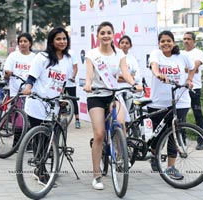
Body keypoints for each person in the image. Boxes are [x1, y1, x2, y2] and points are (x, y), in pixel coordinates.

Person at [83, 21, 142, 190]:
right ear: (98, 36)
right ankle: (96, 175)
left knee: (121, 123)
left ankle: (120, 153)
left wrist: (134, 83)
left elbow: (125, 73)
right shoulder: (92, 54)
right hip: (96, 96)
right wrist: (88, 84)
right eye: (102, 33)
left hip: (113, 95)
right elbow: (89, 74)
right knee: (99, 134)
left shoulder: (119, 55)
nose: (106, 35)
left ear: (113, 35)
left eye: (109, 32)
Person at [22, 27, 73, 185]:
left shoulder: (68, 59)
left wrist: (64, 97)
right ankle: (40, 170)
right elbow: (31, 77)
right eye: (58, 39)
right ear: (51, 41)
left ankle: (43, 165)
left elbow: (65, 82)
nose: (62, 41)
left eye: (64, 38)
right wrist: (28, 87)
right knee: (39, 138)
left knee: (48, 138)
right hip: (38, 102)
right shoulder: (42, 57)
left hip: (54, 104)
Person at [148, 30, 194, 180]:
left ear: (173, 42)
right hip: (158, 102)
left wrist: (189, 79)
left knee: (174, 134)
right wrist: (158, 74)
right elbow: (154, 66)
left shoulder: (183, 56)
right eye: (163, 41)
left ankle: (170, 167)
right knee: (159, 135)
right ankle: (154, 152)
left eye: (169, 40)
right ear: (159, 43)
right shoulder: (156, 54)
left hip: (180, 101)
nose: (166, 43)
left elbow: (192, 68)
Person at [3, 32, 35, 146]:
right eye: (20, 41)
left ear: (30, 43)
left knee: (30, 118)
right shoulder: (13, 56)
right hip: (16, 92)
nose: (23, 44)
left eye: (25, 41)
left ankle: (29, 143)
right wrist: (7, 74)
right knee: (18, 119)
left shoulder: (35, 58)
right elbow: (6, 73)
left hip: (30, 93)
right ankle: (16, 143)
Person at [183, 31, 203, 150]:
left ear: (194, 41)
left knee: (198, 114)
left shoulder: (198, 53)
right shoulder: (181, 54)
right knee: (181, 115)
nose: (186, 41)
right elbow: (182, 69)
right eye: (184, 39)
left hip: (195, 88)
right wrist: (188, 69)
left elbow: (195, 68)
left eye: (188, 39)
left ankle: (202, 141)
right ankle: (182, 140)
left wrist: (187, 69)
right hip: (182, 89)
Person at [118, 35, 142, 111]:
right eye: (122, 42)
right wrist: (129, 77)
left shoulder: (132, 59)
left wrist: (123, 77)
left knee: (127, 114)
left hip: (129, 90)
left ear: (130, 46)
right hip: (116, 91)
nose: (124, 44)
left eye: (127, 43)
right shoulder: (113, 57)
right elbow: (114, 77)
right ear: (119, 44)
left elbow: (137, 76)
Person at [64, 49, 81, 129]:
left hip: (70, 82)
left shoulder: (71, 52)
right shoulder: (56, 52)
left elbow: (75, 67)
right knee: (59, 101)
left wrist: (73, 77)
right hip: (59, 83)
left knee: (74, 101)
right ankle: (58, 120)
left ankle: (77, 120)